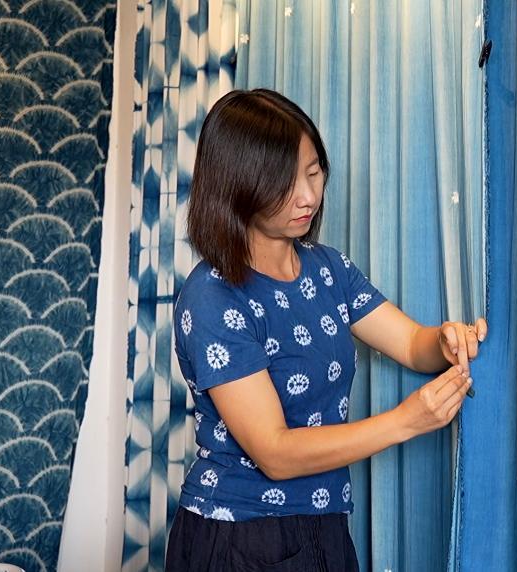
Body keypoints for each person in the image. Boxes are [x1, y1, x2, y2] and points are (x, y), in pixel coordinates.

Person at [164, 88, 486, 571]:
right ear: (238, 187)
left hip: (324, 523)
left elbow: (410, 344)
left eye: (313, 172)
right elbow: (275, 452)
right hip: (240, 534)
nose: (309, 196)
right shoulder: (213, 296)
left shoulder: (327, 269)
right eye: (285, 184)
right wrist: (405, 421)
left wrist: (446, 340)